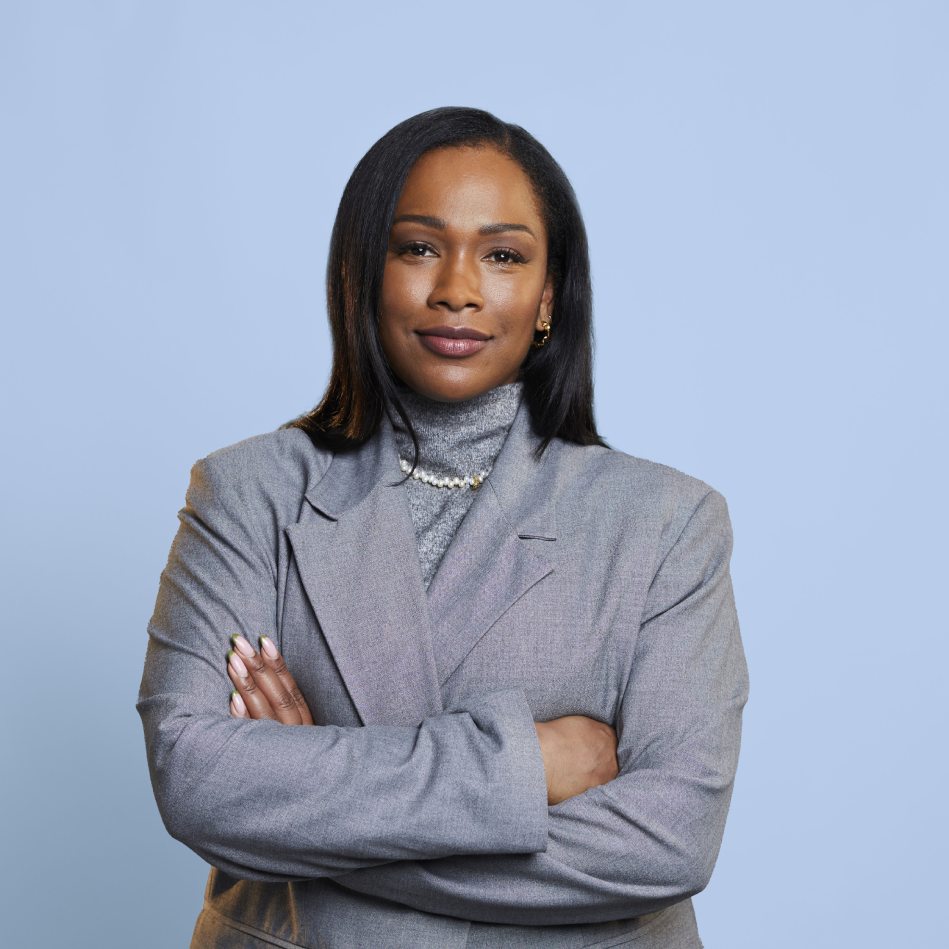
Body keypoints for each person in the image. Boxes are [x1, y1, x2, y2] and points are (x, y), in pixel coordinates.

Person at [138, 106, 749, 949]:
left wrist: (309, 809)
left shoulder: (668, 522)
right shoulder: (247, 490)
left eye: (502, 255)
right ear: (361, 271)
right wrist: (520, 770)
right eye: (418, 246)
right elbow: (198, 778)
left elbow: (668, 841)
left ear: (546, 297)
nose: (456, 287)